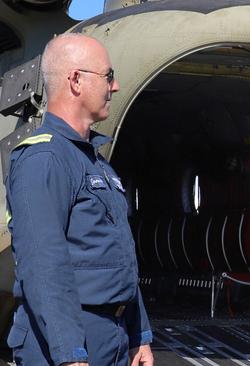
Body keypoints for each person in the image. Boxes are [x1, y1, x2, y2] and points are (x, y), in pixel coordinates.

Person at [4, 33, 154, 365]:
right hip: (68, 341)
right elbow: (44, 266)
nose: (114, 87)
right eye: (108, 76)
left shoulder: (95, 162)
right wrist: (70, 353)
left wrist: (138, 333)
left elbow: (118, 254)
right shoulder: (43, 160)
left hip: (110, 338)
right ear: (75, 80)